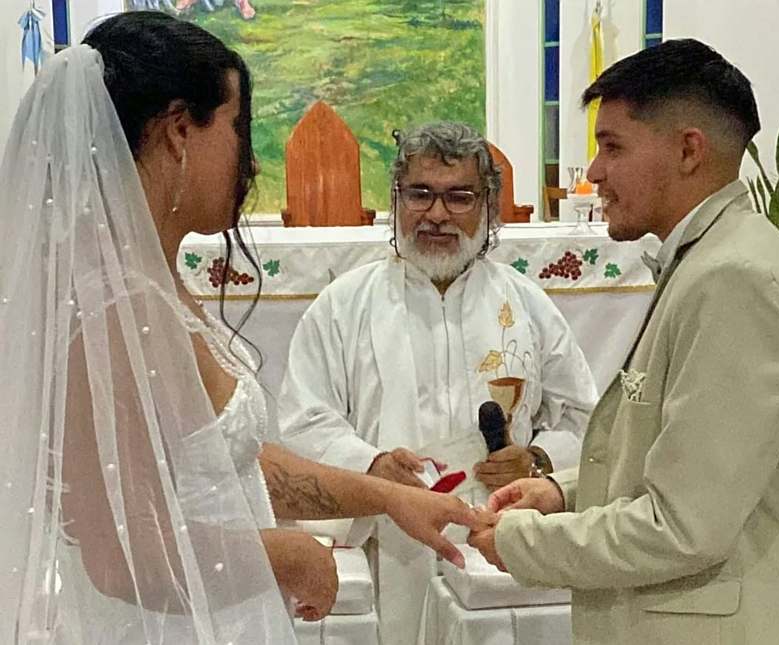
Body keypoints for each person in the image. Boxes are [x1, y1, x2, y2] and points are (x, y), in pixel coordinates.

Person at [0, 12, 482, 644]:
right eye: (235, 127)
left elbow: (225, 463)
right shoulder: (113, 306)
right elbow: (121, 555)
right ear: (179, 131)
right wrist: (290, 555)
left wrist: (388, 497)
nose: (250, 160)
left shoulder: (152, 283)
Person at [468, 38, 779, 645]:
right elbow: (679, 461)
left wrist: (523, 541)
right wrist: (560, 494)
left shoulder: (735, 278)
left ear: (688, 150)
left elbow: (685, 525)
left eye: (612, 146)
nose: (594, 172)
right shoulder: (710, 259)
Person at [278, 121, 597, 644]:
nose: (437, 214)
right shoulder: (344, 305)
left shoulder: (527, 306)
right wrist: (371, 467)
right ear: (396, 199)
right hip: (387, 533)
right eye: (420, 194)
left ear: (487, 205)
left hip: (496, 528)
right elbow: (303, 420)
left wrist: (538, 459)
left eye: (459, 197)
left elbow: (586, 420)